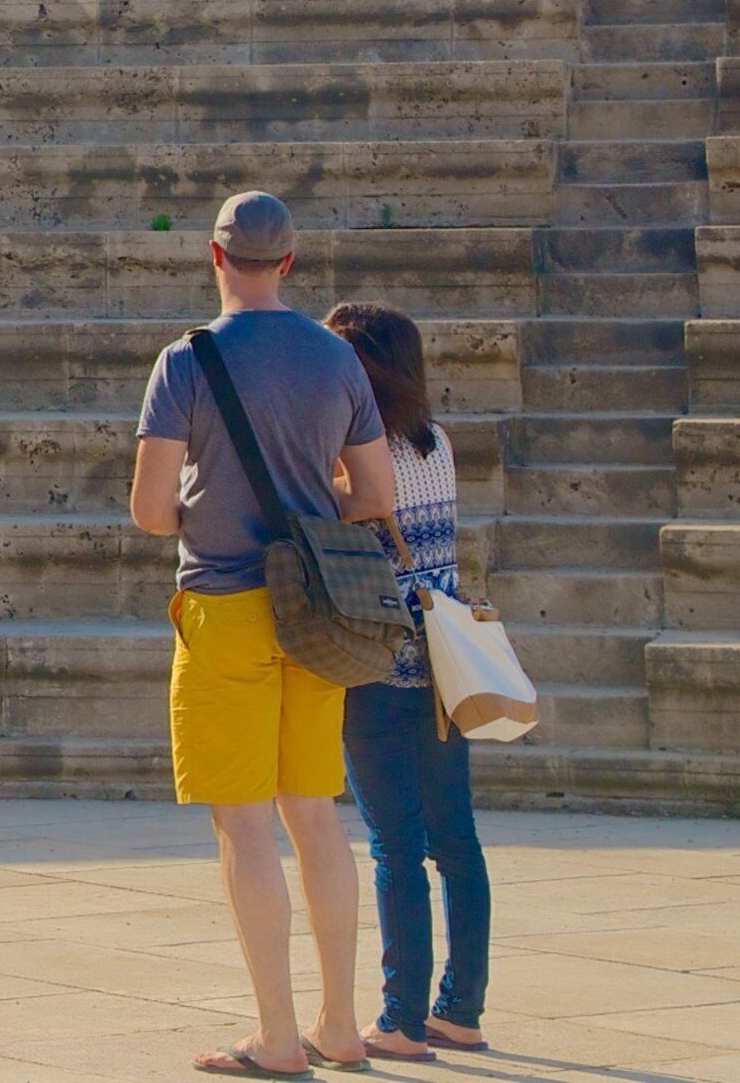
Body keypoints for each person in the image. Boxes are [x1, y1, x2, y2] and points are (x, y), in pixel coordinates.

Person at [133, 192, 396, 1079]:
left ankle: (278, 1038)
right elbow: (373, 497)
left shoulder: (187, 361)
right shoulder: (336, 358)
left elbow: (148, 509)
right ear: (289, 263)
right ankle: (342, 1023)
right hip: (317, 611)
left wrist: (205, 508)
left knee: (245, 829)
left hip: (224, 604)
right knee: (316, 817)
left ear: (215, 255)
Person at [324, 302, 492, 1062]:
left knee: (395, 844)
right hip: (443, 665)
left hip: (379, 661)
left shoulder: (352, 455)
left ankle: (400, 1019)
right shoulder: (438, 444)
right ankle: (461, 1009)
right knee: (455, 841)